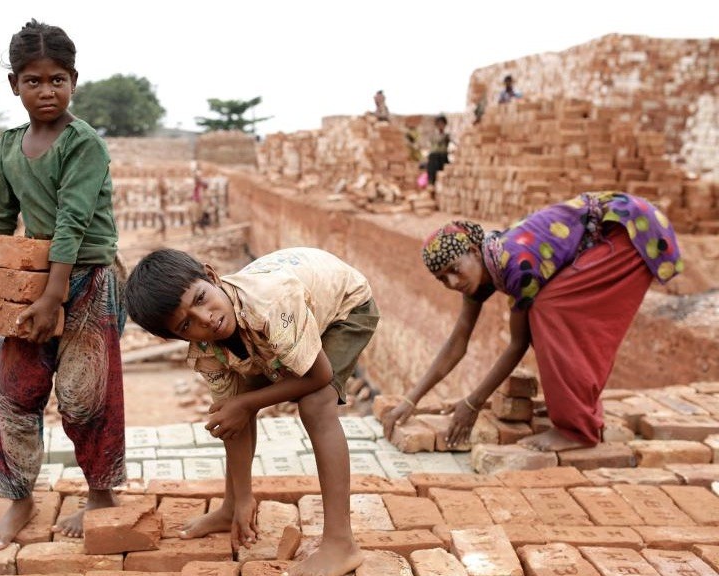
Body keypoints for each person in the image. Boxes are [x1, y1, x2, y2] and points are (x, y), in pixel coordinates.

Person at [124, 247, 379, 576]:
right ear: (173, 336)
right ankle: (231, 508)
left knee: (316, 404)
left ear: (212, 275)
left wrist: (246, 403)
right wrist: (243, 497)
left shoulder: (271, 304)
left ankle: (341, 543)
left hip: (343, 306)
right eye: (187, 324)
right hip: (285, 320)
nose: (207, 319)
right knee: (233, 406)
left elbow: (319, 376)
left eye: (201, 298)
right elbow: (232, 414)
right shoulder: (206, 349)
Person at [382, 192, 683, 452]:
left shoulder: (513, 264)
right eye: (441, 278)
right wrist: (411, 400)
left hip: (630, 230)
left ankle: (576, 429)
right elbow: (457, 343)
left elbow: (518, 344)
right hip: (618, 227)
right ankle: (575, 406)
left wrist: (472, 403)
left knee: (551, 311)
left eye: (454, 269)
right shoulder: (480, 274)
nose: (451, 281)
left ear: (474, 252)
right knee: (549, 315)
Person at [0, 19, 127, 548]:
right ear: (14, 85)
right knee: (17, 394)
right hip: (32, 282)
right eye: (34, 80)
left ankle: (102, 495)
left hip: (84, 279)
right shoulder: (10, 144)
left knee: (86, 394)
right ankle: (19, 499)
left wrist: (54, 294)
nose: (47, 91)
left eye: (58, 79)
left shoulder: (83, 143)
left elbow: (73, 220)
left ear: (74, 80)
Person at [426, 115, 451, 188]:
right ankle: (431, 184)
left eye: (442, 124)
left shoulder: (446, 135)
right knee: (432, 161)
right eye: (439, 124)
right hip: (434, 158)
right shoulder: (434, 135)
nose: (441, 125)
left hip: (442, 157)